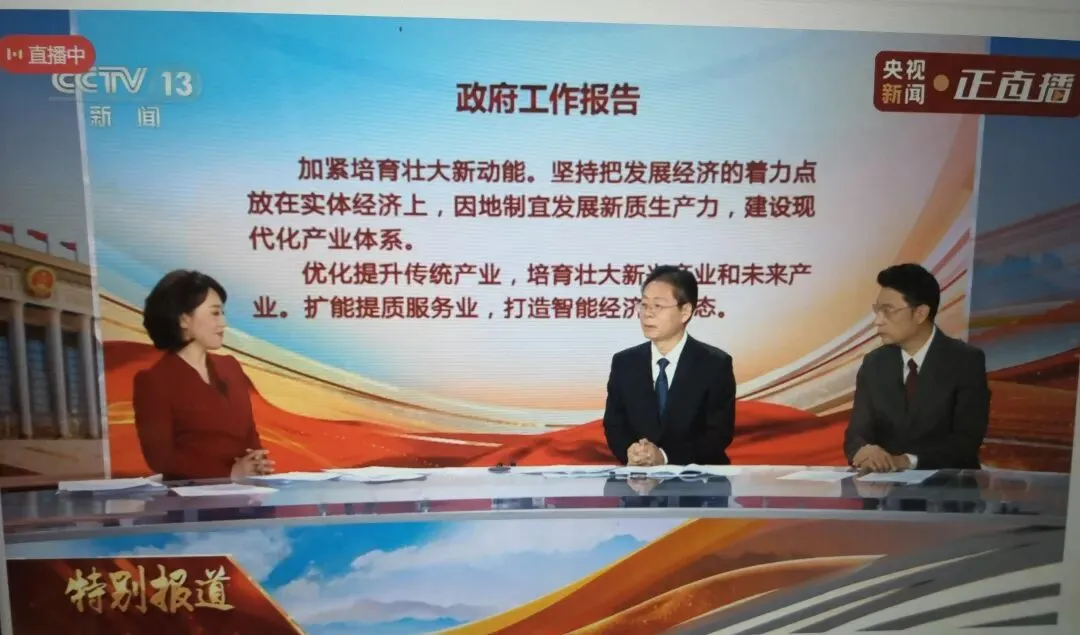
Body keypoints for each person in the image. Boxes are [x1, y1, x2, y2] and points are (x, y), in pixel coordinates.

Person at [844, 263, 990, 472]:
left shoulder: (965, 361)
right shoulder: (874, 364)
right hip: (885, 487)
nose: (878, 321)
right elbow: (856, 433)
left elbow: (966, 442)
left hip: (947, 486)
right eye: (877, 311)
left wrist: (907, 461)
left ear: (921, 313)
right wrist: (863, 450)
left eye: (888, 311)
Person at [133, 270, 274, 481]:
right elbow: (160, 458)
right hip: (190, 496)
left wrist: (257, 464)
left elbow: (249, 437)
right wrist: (228, 474)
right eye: (215, 313)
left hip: (246, 492)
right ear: (184, 319)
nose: (223, 323)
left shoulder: (230, 367)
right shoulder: (154, 381)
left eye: (222, 313)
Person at [602, 265, 737, 466]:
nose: (647, 314)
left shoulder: (714, 364)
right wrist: (631, 452)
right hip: (639, 478)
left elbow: (718, 433)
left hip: (699, 479)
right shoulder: (624, 363)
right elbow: (614, 424)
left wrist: (664, 457)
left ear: (685, 312)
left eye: (658, 306)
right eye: (644, 305)